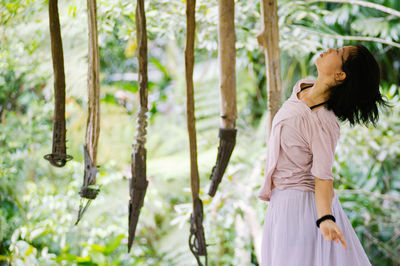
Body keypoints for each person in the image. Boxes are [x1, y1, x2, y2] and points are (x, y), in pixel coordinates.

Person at [257, 44, 391, 266]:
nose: (330, 50)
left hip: (301, 209)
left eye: (338, 53)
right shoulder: (303, 87)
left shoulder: (324, 122)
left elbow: (323, 177)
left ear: (340, 75)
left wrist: (325, 218)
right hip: (281, 203)